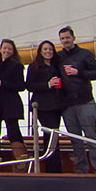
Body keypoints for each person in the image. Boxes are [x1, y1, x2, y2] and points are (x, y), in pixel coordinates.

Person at [57, 26, 96, 174]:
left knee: (91, 136)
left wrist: (79, 72)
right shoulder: (57, 57)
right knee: (75, 140)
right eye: (63, 38)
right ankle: (81, 170)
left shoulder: (85, 54)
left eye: (67, 37)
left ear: (73, 38)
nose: (65, 40)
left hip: (85, 101)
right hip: (67, 104)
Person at [26, 40, 65, 173]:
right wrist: (47, 84)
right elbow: (29, 86)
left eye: (50, 49)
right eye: (45, 49)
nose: (48, 52)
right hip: (42, 106)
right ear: (40, 52)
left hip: (56, 105)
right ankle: (52, 169)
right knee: (50, 135)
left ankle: (54, 167)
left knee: (54, 135)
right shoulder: (34, 66)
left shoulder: (56, 66)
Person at [0, 39, 28, 165]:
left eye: (9, 49)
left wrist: (2, 83)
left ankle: (21, 159)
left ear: (13, 51)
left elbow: (20, 86)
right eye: (4, 48)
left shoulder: (16, 66)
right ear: (0, 49)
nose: (6, 51)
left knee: (13, 130)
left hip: (10, 103)